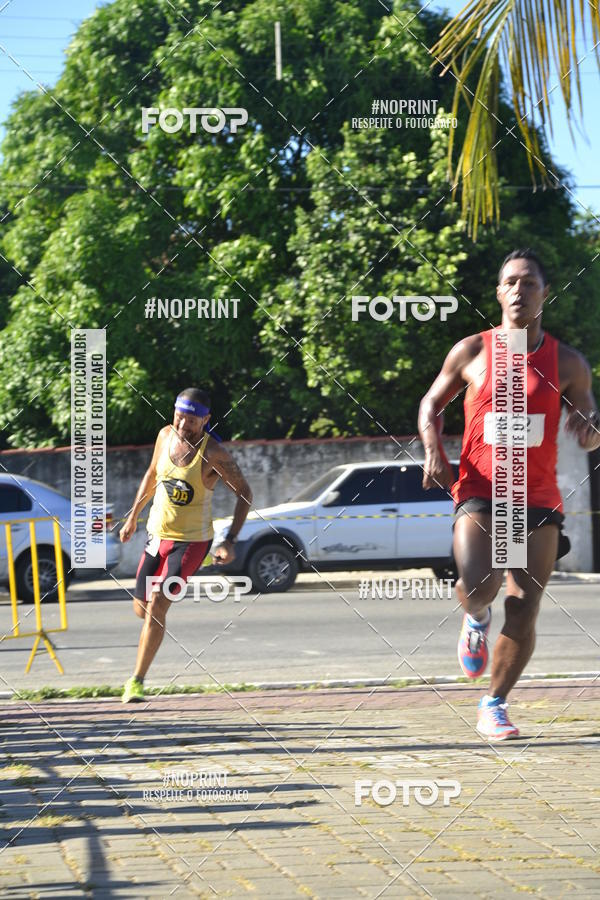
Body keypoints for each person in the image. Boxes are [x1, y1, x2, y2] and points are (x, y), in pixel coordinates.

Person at [418, 249, 600, 740]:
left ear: (545, 293)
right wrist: (434, 450)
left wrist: (590, 431)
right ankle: (475, 617)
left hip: (535, 497)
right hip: (481, 487)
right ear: (499, 292)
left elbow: (589, 425)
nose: (520, 290)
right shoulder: (472, 351)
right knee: (481, 586)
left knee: (524, 607)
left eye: (530, 283)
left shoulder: (568, 362)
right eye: (511, 282)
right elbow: (431, 403)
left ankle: (494, 704)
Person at [119, 388, 252, 702]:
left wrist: (230, 540)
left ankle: (136, 681)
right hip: (157, 535)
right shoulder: (165, 436)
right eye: (179, 417)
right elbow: (152, 474)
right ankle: (147, 641)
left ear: (205, 420)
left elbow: (245, 493)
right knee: (141, 609)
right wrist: (133, 516)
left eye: (191, 421)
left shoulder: (214, 454)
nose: (183, 425)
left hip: (192, 541)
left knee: (157, 607)